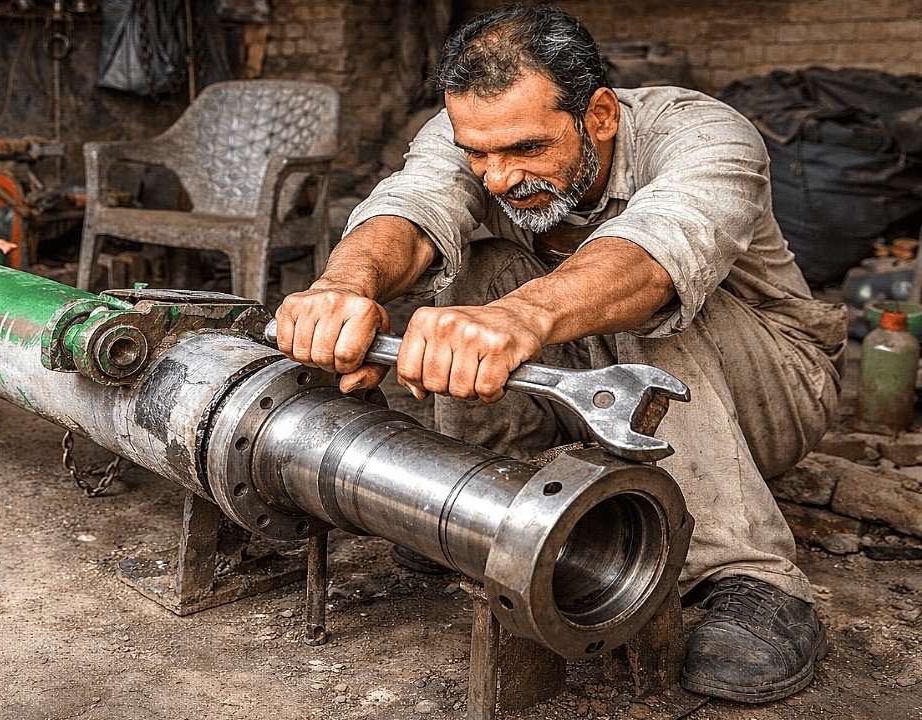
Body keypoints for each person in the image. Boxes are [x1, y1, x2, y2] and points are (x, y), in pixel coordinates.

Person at [272, 3, 846, 705]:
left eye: (525, 150)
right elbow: (415, 205)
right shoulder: (474, 134)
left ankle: (750, 573)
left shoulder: (703, 133)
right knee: (470, 275)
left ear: (599, 114)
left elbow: (656, 253)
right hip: (591, 386)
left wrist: (517, 319)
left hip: (769, 391)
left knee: (646, 297)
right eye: (479, 154)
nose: (498, 177)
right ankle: (496, 503)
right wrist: (343, 287)